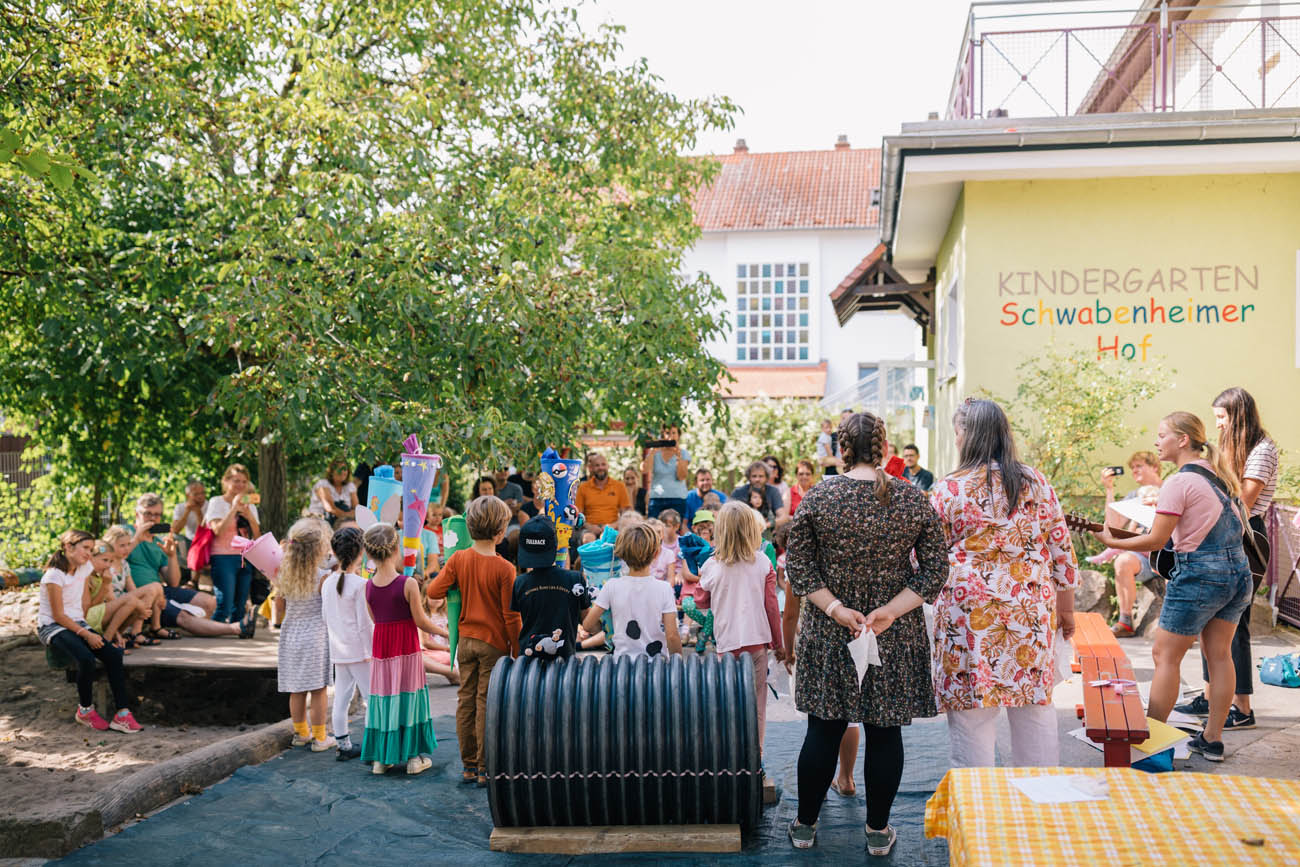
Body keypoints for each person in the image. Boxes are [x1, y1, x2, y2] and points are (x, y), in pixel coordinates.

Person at [784, 411, 948, 855]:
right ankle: (877, 832)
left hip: (831, 627)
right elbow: (936, 569)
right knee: (884, 731)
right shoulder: (912, 499)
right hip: (890, 630)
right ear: (885, 449)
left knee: (823, 729)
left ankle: (804, 825)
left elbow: (798, 566)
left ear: (841, 449)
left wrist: (835, 608)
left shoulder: (819, 497)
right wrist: (891, 611)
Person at [1092, 411, 1252, 762]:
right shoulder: (1217, 474)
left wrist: (1111, 540)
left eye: (1161, 434)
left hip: (1200, 576)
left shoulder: (1178, 482)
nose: (1156, 441)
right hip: (1238, 574)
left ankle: (1151, 743)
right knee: (1220, 655)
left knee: (1165, 656)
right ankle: (1212, 740)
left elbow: (1157, 539)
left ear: (1182, 440)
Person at [931, 399, 1078, 772]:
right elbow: (1062, 552)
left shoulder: (948, 490)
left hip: (970, 616)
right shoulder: (1035, 482)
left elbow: (925, 561)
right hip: (1029, 610)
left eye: (958, 432)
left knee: (971, 715)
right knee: (1034, 710)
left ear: (967, 436)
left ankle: (977, 809)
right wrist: (1067, 611)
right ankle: (1041, 801)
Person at [1174, 387, 1278, 729]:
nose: (1217, 425)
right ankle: (1210, 695)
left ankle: (1243, 708)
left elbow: (1244, 504)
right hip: (1222, 530)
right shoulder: (1229, 448)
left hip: (1248, 535)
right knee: (1210, 621)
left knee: (1236, 625)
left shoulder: (1261, 450)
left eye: (1222, 417)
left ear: (1239, 416)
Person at [427, 496, 518, 786]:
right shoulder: (505, 569)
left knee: (465, 701)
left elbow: (434, 590)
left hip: (465, 640)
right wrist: (516, 649)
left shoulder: (458, 559)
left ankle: (468, 766)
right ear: (501, 532)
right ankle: (484, 766)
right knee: (485, 703)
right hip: (494, 644)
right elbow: (511, 616)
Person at [696, 501, 784, 752]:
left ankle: (731, 756)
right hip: (757, 642)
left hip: (727, 643)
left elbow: (701, 600)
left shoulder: (712, 565)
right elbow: (771, 608)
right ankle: (755, 756)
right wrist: (778, 644)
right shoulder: (762, 563)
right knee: (757, 704)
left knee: (729, 702)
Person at [37, 530, 143, 733]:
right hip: (52, 626)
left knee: (113, 654)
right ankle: (85, 710)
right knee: (85, 658)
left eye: (90, 549)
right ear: (68, 547)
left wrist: (104, 585)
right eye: (85, 548)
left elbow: (84, 608)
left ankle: (122, 714)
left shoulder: (84, 569)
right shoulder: (53, 576)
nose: (88, 553)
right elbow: (58, 616)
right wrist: (86, 634)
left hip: (77, 622)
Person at [361, 523, 439, 775]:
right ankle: (414, 757)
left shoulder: (368, 586)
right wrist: (446, 632)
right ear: (397, 549)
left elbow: (375, 619)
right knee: (409, 696)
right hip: (405, 648)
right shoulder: (408, 584)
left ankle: (381, 759)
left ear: (370, 553)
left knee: (385, 698)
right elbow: (421, 621)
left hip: (383, 650)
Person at [277, 518, 336, 753]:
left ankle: (301, 733)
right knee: (319, 689)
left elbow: (279, 606)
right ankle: (320, 736)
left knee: (297, 688)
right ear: (320, 548)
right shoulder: (323, 576)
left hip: (291, 634)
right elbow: (329, 606)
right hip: (316, 638)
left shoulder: (284, 575)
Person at [582, 521, 682, 659]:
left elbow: (588, 625)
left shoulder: (611, 586)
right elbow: (672, 636)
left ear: (621, 554)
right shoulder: (664, 588)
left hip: (622, 665)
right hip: (656, 666)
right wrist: (678, 663)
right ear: (656, 553)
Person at [320, 526, 372, 760]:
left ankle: (344, 744)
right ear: (361, 552)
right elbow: (364, 623)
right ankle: (374, 744)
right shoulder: (360, 585)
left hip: (338, 650)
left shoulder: (328, 583)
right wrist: (372, 650)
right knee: (372, 698)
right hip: (359, 651)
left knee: (341, 697)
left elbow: (324, 616)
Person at [1102, 451, 1165, 637]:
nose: (1134, 471)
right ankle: (1125, 622)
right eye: (1132, 468)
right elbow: (1113, 525)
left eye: (1139, 466)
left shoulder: (1169, 489)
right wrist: (1109, 490)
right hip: (1143, 558)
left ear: (1154, 467)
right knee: (1122, 561)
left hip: (1166, 553)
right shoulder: (1133, 495)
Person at [511, 515, 591, 658]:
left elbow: (516, 622)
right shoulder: (575, 579)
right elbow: (589, 623)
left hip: (528, 663)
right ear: (555, 547)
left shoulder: (520, 583)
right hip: (565, 664)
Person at [204, 464, 261, 623]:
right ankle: (211, 633)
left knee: (240, 607)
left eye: (244, 481)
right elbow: (218, 531)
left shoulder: (249, 504)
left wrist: (249, 515)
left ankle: (237, 636)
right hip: (223, 558)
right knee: (225, 605)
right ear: (226, 481)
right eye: (236, 481)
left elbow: (256, 535)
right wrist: (234, 508)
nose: (240, 485)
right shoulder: (217, 502)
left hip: (244, 558)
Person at [99, 525, 166, 644]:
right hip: (110, 607)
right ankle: (131, 633)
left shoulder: (124, 564)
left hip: (124, 603)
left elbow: (134, 590)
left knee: (154, 587)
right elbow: (109, 598)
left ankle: (137, 632)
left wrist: (157, 596)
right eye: (122, 545)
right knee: (152, 588)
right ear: (110, 546)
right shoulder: (106, 566)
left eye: (128, 544)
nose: (126, 549)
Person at [83, 541, 154, 650]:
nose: (108, 565)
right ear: (91, 558)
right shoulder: (86, 577)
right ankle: (107, 640)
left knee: (134, 605)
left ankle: (115, 639)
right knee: (132, 600)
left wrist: (117, 633)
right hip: (86, 618)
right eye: (104, 560)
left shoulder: (100, 576)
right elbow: (89, 608)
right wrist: (105, 585)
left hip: (99, 616)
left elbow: (108, 603)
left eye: (111, 561)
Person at [642, 425, 690, 518]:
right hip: (657, 499)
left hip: (677, 499)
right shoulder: (655, 453)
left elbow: (681, 476)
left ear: (678, 436)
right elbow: (644, 470)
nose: (670, 436)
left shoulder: (683, 453)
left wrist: (678, 456)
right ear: (663, 435)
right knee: (655, 528)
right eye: (667, 433)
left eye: (673, 433)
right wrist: (653, 451)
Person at [574, 452, 631, 530]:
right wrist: (589, 526)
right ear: (592, 468)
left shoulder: (619, 486)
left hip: (613, 528)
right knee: (588, 538)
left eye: (603, 464)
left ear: (608, 466)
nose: (600, 467)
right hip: (589, 529)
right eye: (597, 465)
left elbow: (626, 513)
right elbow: (578, 514)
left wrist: (614, 525)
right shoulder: (583, 487)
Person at [170, 480, 207, 586]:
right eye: (196, 494)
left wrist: (199, 513)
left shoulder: (209, 505)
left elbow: (204, 532)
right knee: (175, 538)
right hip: (189, 541)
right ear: (188, 495)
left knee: (200, 543)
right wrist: (187, 512)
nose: (200, 497)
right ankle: (183, 577)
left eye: (203, 493)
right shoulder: (180, 507)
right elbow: (175, 530)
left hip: (205, 540)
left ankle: (194, 581)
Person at [310, 459, 359, 526]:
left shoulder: (350, 486)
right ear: (331, 471)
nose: (342, 472)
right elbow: (330, 508)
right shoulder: (322, 484)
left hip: (342, 523)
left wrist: (348, 516)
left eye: (345, 469)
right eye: (339, 469)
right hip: (319, 522)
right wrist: (347, 516)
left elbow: (356, 509)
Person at [647, 514, 685, 586]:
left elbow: (671, 579)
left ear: (662, 534)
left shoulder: (668, 554)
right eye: (651, 532)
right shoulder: (641, 553)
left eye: (658, 532)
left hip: (664, 589)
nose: (655, 535)